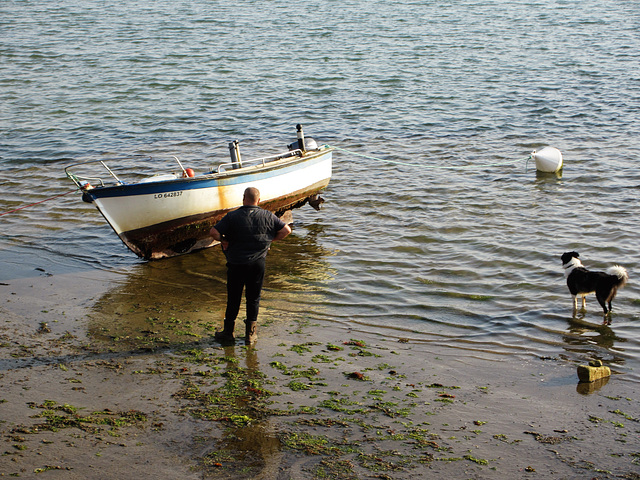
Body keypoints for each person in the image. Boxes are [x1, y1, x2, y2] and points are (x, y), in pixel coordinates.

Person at [209, 187, 291, 344]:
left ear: (243, 198)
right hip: (257, 264)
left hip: (236, 263)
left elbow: (213, 232)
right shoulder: (268, 215)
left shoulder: (232, 216)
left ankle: (228, 333)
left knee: (234, 298)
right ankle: (250, 335)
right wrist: (270, 240)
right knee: (253, 298)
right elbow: (286, 230)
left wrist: (224, 240)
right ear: (258, 201)